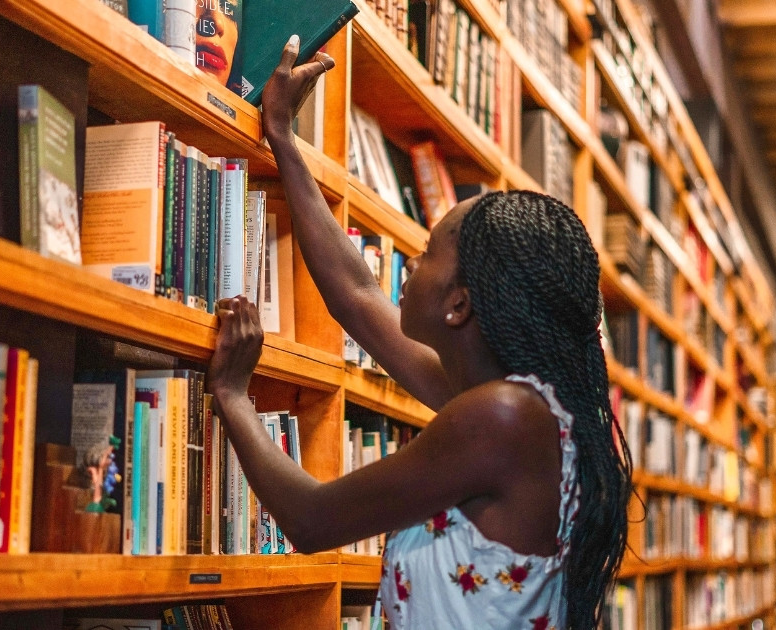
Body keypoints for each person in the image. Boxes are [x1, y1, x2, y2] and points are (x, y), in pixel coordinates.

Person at [207, 36, 632, 630]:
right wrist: (282, 135)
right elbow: (357, 297)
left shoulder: (500, 417)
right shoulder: (518, 406)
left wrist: (231, 395)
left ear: (459, 304)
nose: (408, 264)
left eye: (427, 252)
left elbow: (311, 519)